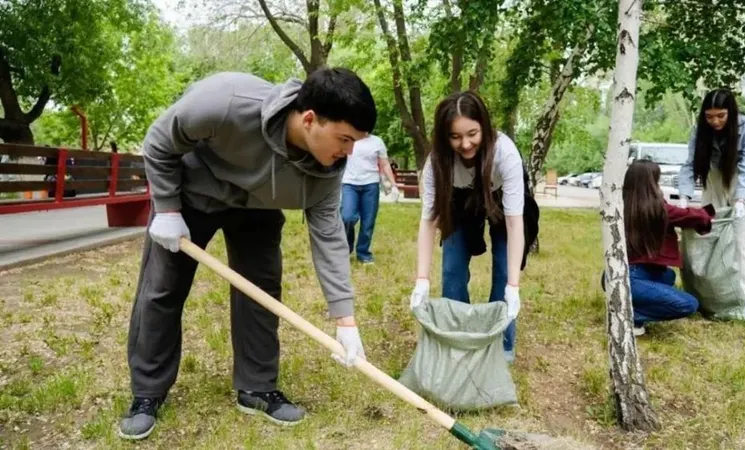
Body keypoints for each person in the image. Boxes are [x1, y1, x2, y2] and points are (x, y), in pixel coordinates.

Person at [118, 68, 377, 440]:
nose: (349, 152)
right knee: (163, 289)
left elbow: (330, 237)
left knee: (262, 292)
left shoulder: (328, 169)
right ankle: (147, 393)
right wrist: (168, 209)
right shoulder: (225, 102)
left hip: (257, 207)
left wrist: (345, 319)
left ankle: (256, 387)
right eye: (345, 139)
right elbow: (160, 141)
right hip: (192, 196)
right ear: (309, 120)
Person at [409, 91, 529, 364]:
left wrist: (513, 285)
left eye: (472, 133)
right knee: (451, 268)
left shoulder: (505, 153)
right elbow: (428, 222)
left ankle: (501, 345)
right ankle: (456, 340)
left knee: (503, 268)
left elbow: (514, 222)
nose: (465, 144)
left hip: (499, 199)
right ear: (445, 137)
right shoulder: (437, 163)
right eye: (455, 136)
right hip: (459, 201)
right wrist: (421, 280)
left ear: (484, 127)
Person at [677, 88, 745, 313]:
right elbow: (690, 163)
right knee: (709, 233)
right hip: (713, 179)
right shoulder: (699, 130)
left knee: (741, 239)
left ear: (731, 112)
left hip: (743, 181)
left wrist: (741, 198)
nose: (714, 121)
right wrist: (684, 195)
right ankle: (711, 293)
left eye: (721, 116)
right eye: (709, 116)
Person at [608, 160, 714, 336]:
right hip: (631, 278)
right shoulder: (658, 208)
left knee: (668, 276)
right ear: (652, 182)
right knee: (688, 304)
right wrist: (712, 213)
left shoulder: (619, 205)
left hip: (615, 273)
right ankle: (628, 316)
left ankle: (624, 302)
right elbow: (694, 216)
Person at [340, 133, 399, 263]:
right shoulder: (348, 137)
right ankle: (345, 250)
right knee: (347, 217)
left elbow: (384, 164)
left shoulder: (377, 141)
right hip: (349, 184)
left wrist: (394, 185)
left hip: (370, 185)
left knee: (368, 222)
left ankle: (363, 253)